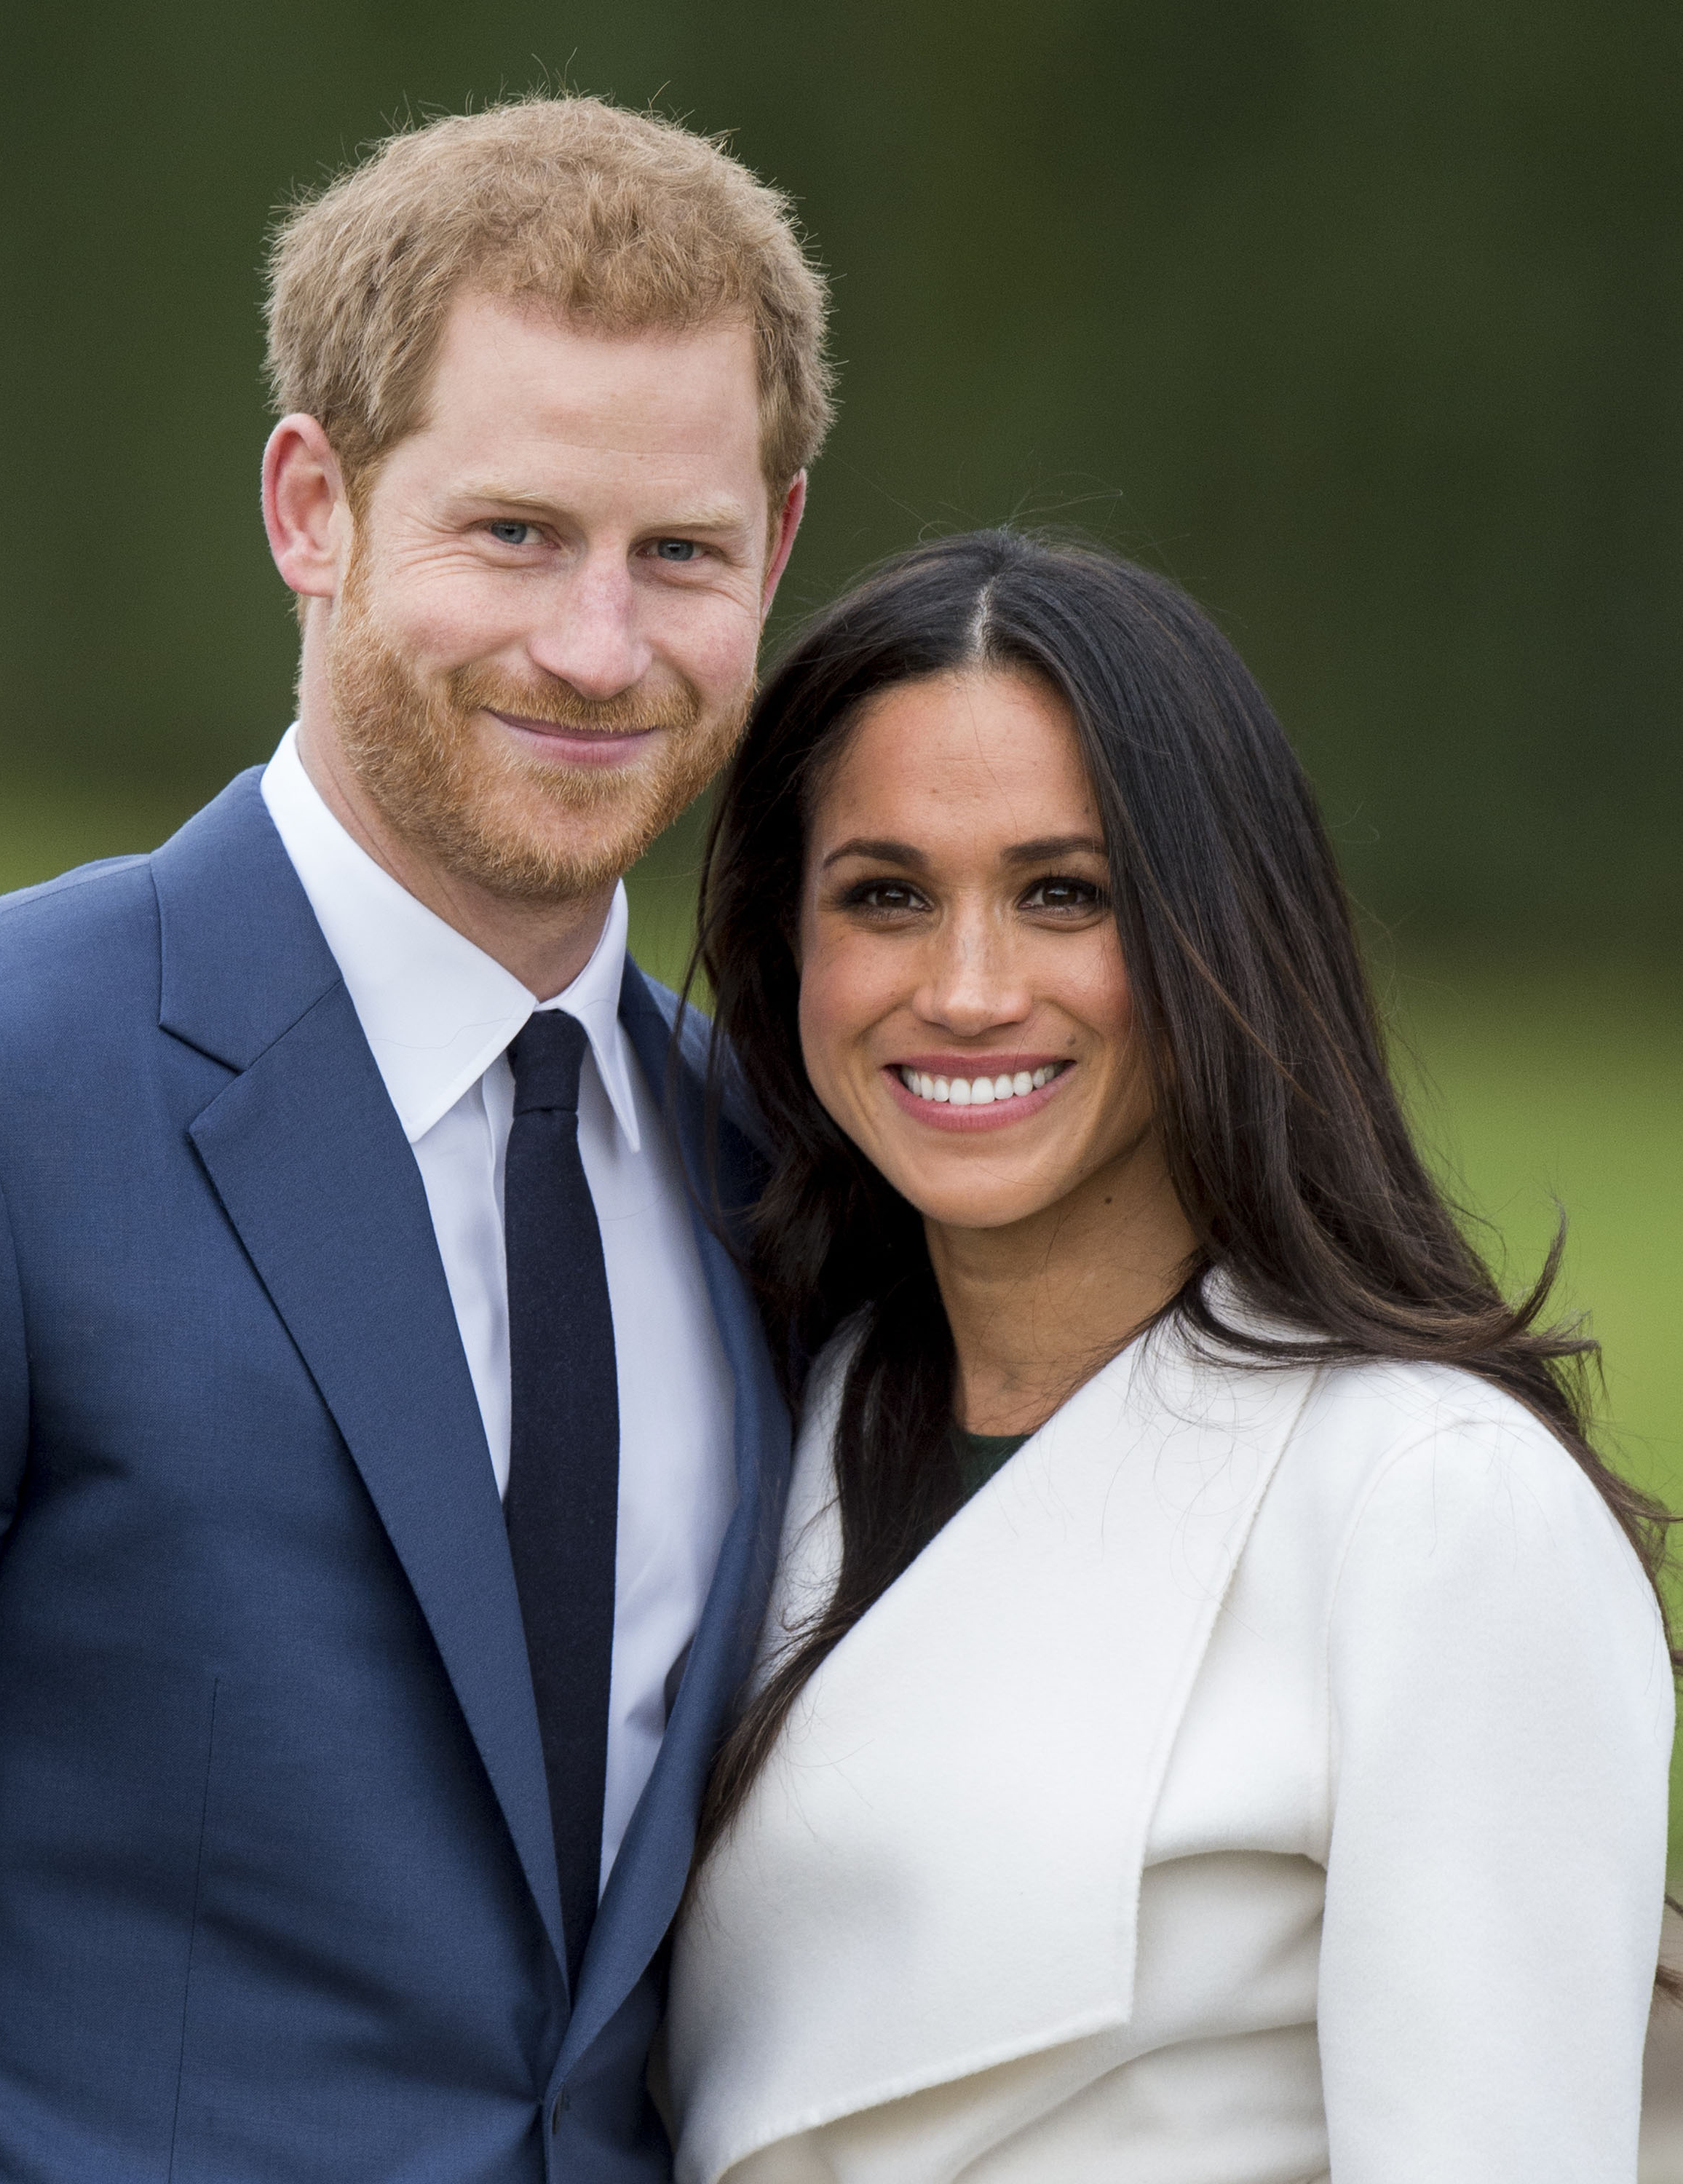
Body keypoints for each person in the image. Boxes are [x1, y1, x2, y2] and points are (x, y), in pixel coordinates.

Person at [0, 97, 829, 2183]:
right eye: (511, 534)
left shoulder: (774, 1168)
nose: (598, 649)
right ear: (312, 507)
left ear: (768, 551)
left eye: (674, 554)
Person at [663, 531, 1674, 2181]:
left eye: (1065, 895)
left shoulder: (1432, 1505)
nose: (968, 987)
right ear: (791, 956)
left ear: (1222, 936)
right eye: (886, 896)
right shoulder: (771, 1407)